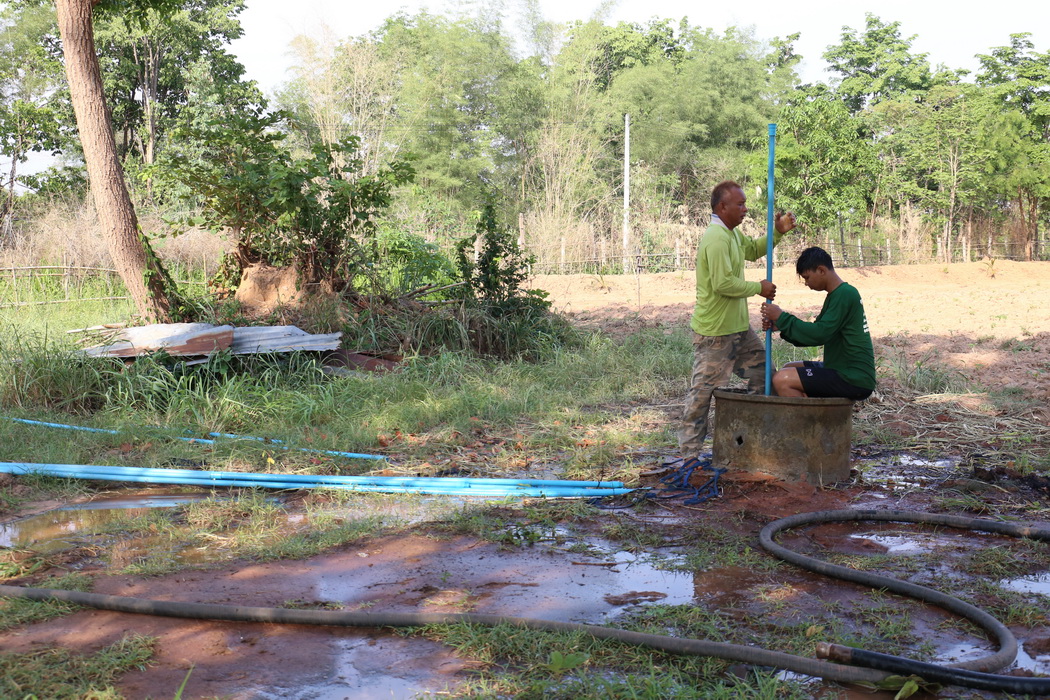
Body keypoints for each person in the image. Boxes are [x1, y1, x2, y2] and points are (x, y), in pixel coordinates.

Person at [678, 180, 796, 463]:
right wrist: (759, 288)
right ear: (722, 207)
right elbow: (722, 284)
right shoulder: (717, 238)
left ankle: (748, 444)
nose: (745, 209)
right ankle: (688, 458)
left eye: (744, 204)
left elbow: (753, 250)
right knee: (701, 396)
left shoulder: (731, 234)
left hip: (740, 331)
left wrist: (777, 233)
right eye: (740, 204)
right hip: (716, 334)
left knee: (765, 377)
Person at [760, 246, 875, 400]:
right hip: (838, 366)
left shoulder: (845, 294)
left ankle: (808, 416)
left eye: (807, 277)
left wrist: (782, 317)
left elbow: (819, 334)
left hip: (852, 376)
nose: (806, 283)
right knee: (789, 367)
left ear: (821, 270)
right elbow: (814, 333)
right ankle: (813, 410)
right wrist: (781, 325)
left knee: (783, 379)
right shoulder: (836, 295)